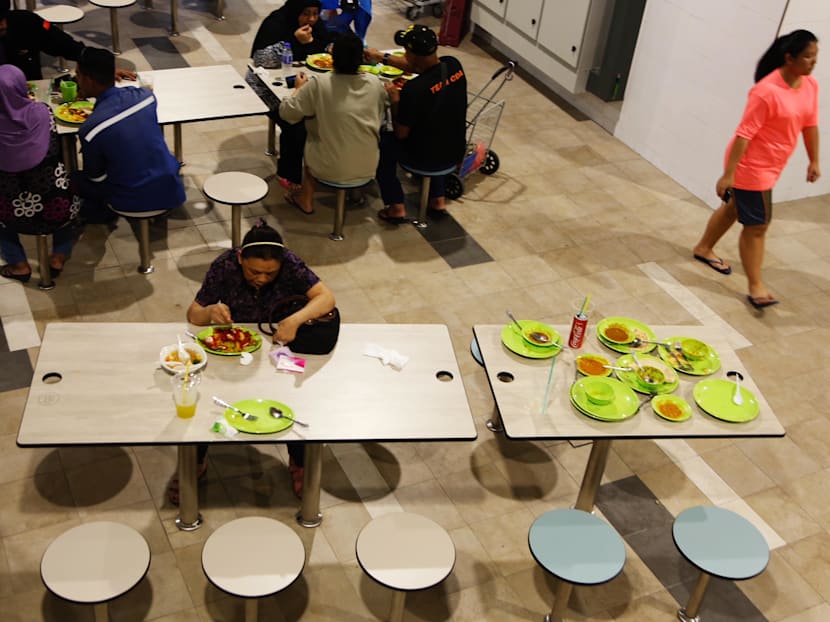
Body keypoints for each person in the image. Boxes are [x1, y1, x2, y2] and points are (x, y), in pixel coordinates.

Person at [173, 220, 336, 503]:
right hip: (234, 344)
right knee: (208, 400)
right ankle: (196, 460)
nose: (261, 278)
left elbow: (326, 297)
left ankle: (299, 461)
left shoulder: (291, 264)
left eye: (270, 273)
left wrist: (295, 320)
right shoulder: (224, 265)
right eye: (253, 271)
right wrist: (211, 312)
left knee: (291, 400)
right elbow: (193, 314)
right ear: (240, 257)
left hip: (277, 342)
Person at [693, 29, 820, 309]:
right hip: (751, 167)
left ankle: (703, 248)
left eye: (815, 56)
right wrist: (729, 174)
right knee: (758, 226)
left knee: (733, 209)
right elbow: (744, 134)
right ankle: (756, 287)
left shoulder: (810, 85)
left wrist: (814, 160)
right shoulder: (766, 91)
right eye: (808, 56)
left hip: (773, 164)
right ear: (789, 58)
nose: (814, 62)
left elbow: (810, 124)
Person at [365, 24, 467, 223]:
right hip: (455, 151)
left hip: (423, 157)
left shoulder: (414, 90)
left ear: (411, 54)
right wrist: (381, 57)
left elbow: (401, 133)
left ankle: (396, 206)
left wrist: (395, 102)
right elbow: (417, 67)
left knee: (383, 144)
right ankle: (437, 200)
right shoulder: (454, 65)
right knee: (437, 134)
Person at [71, 47, 185, 221]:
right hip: (172, 189)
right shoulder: (146, 97)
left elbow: (96, 177)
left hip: (131, 200)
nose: (77, 80)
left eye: (78, 75)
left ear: (88, 80)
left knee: (74, 179)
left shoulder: (90, 129)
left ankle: (99, 216)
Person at [279, 32, 387, 214]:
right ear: (362, 58)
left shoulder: (320, 84)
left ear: (333, 57)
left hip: (327, 166)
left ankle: (305, 199)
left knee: (312, 136)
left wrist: (298, 89)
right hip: (369, 165)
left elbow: (288, 113)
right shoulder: (375, 83)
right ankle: (357, 194)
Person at [0, 65, 80, 281]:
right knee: (68, 189)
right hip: (57, 206)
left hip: (10, 213)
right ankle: (58, 257)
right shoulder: (43, 111)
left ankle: (19, 264)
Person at [251, 0, 335, 193]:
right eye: (306, 13)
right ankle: (288, 173)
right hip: (267, 88)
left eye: (315, 13)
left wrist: (331, 47)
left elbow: (325, 44)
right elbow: (260, 59)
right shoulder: (276, 23)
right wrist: (293, 41)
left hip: (307, 85)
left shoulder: (317, 26)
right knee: (297, 124)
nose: (311, 19)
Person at [0, 0, 135, 81]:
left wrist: (102, 70)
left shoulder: (26, 21)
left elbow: (71, 47)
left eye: (3, 18)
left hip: (28, 94)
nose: (2, 25)